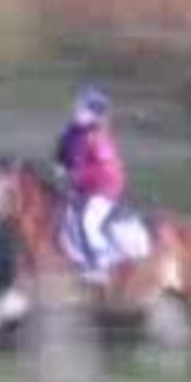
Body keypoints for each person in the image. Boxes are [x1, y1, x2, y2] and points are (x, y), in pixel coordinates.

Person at [53, 86, 126, 279]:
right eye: (77, 107)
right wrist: (60, 164)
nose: (76, 111)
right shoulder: (72, 132)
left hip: (104, 190)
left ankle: (99, 264)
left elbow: (106, 171)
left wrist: (75, 176)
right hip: (80, 188)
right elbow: (63, 152)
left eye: (82, 109)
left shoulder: (99, 139)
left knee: (88, 222)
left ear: (95, 116)